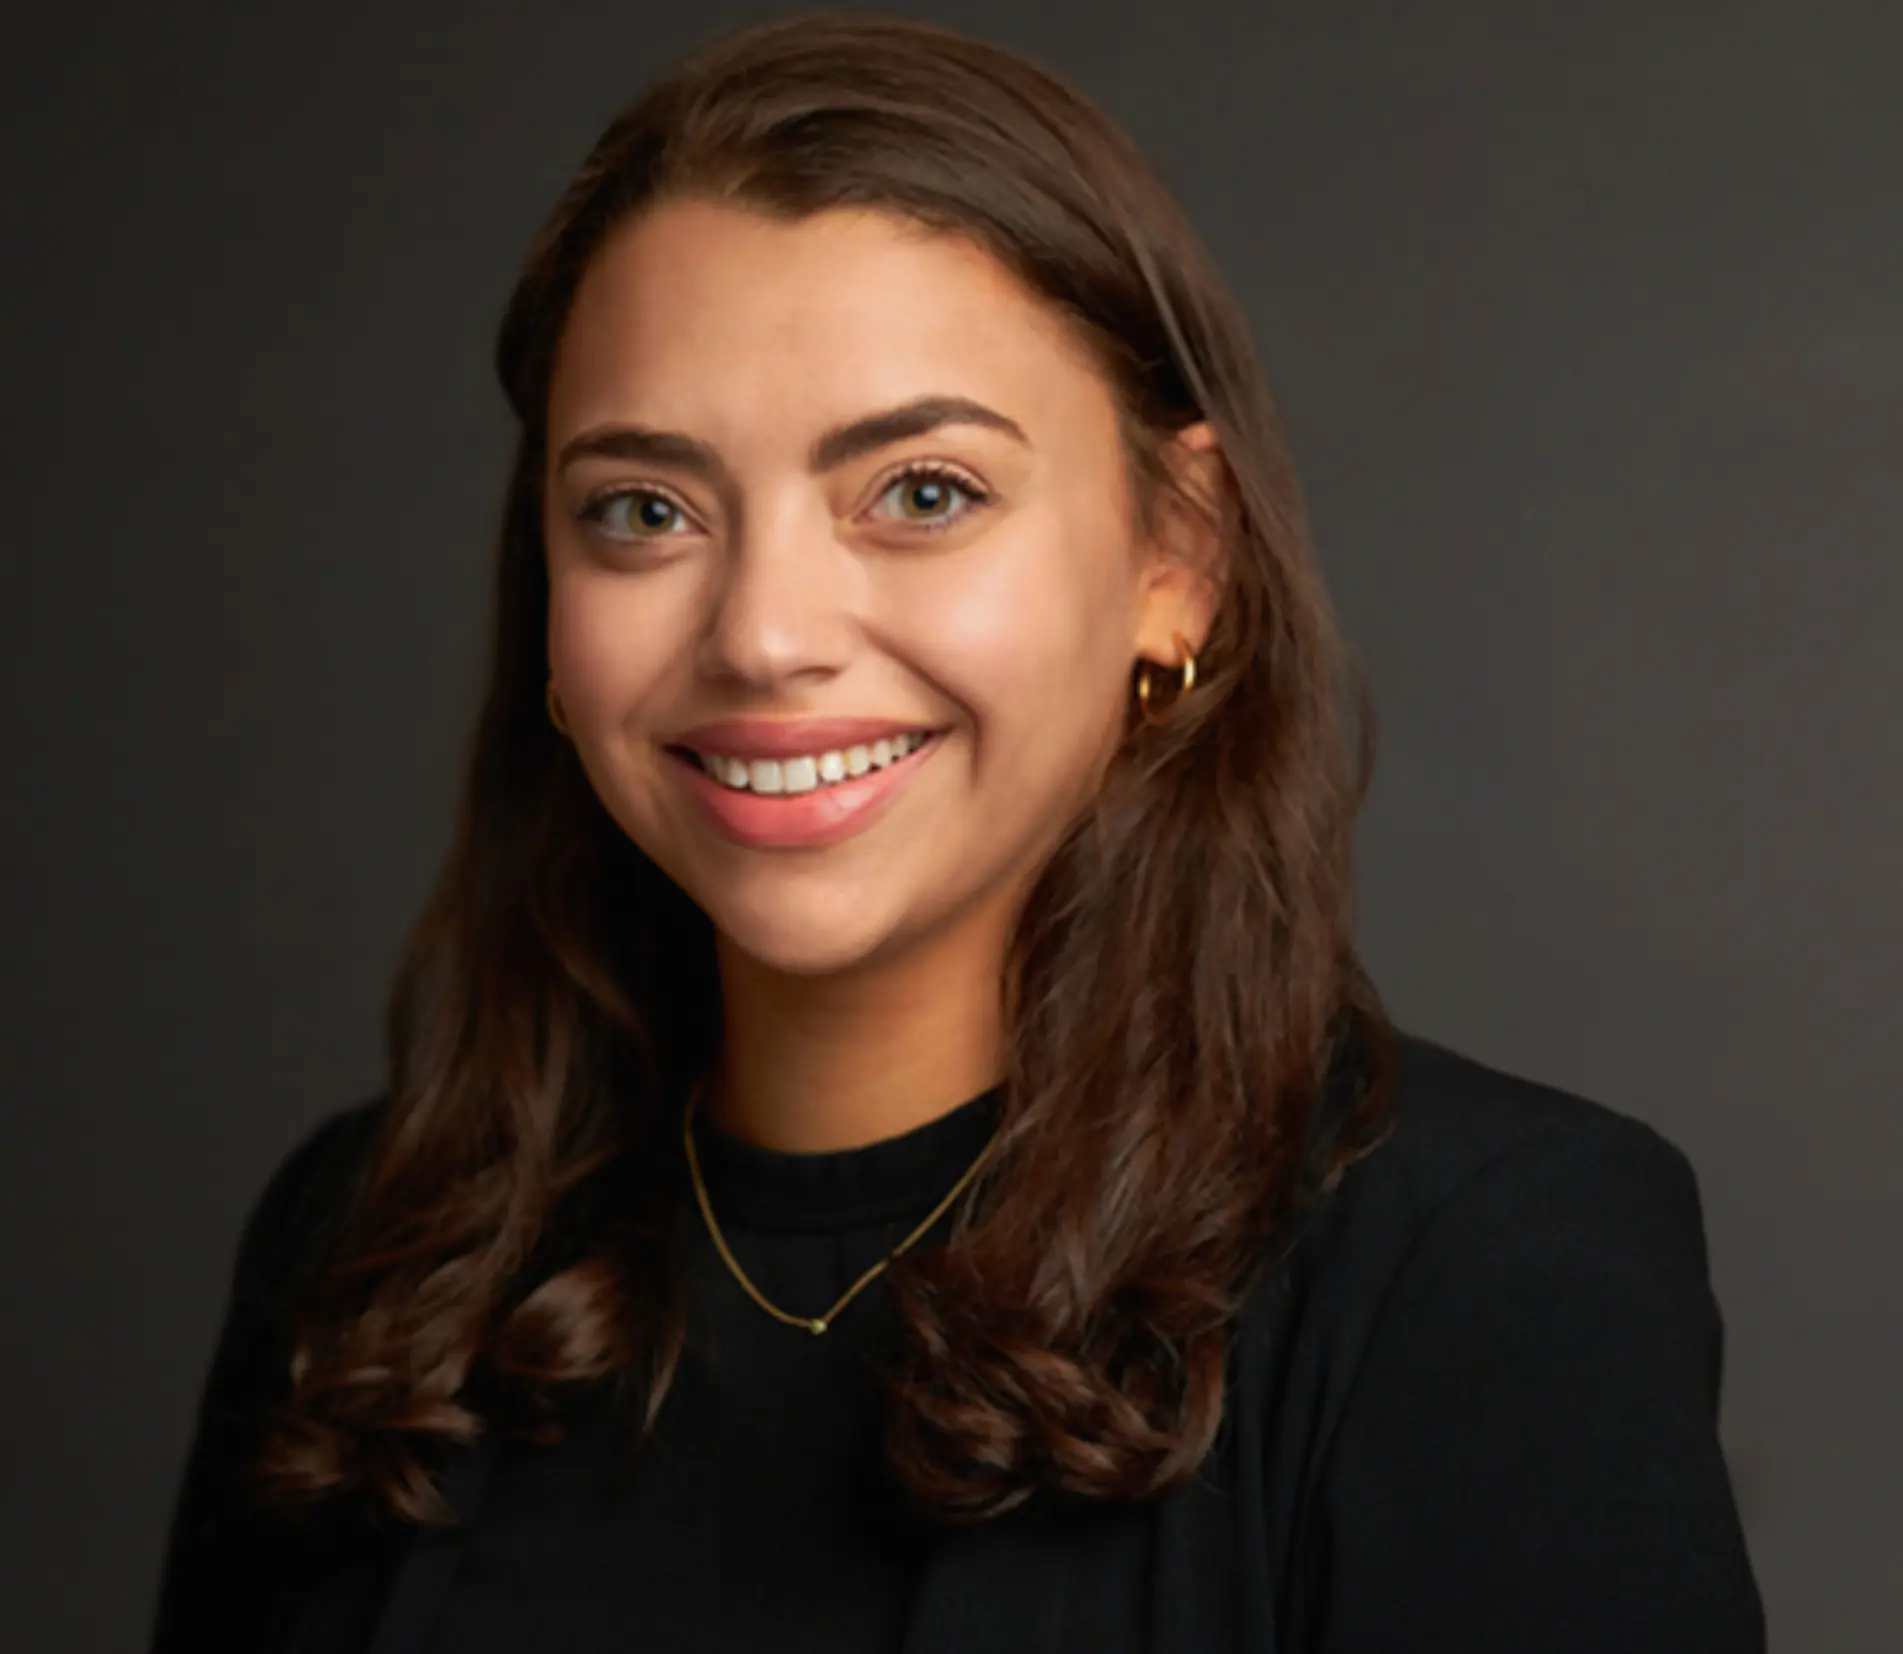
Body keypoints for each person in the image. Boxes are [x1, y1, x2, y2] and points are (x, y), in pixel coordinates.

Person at [149, 13, 1765, 1652]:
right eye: (645, 510)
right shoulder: (365, 1250)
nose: (765, 634)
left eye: (920, 491)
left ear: (1176, 557)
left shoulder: (1485, 1270)